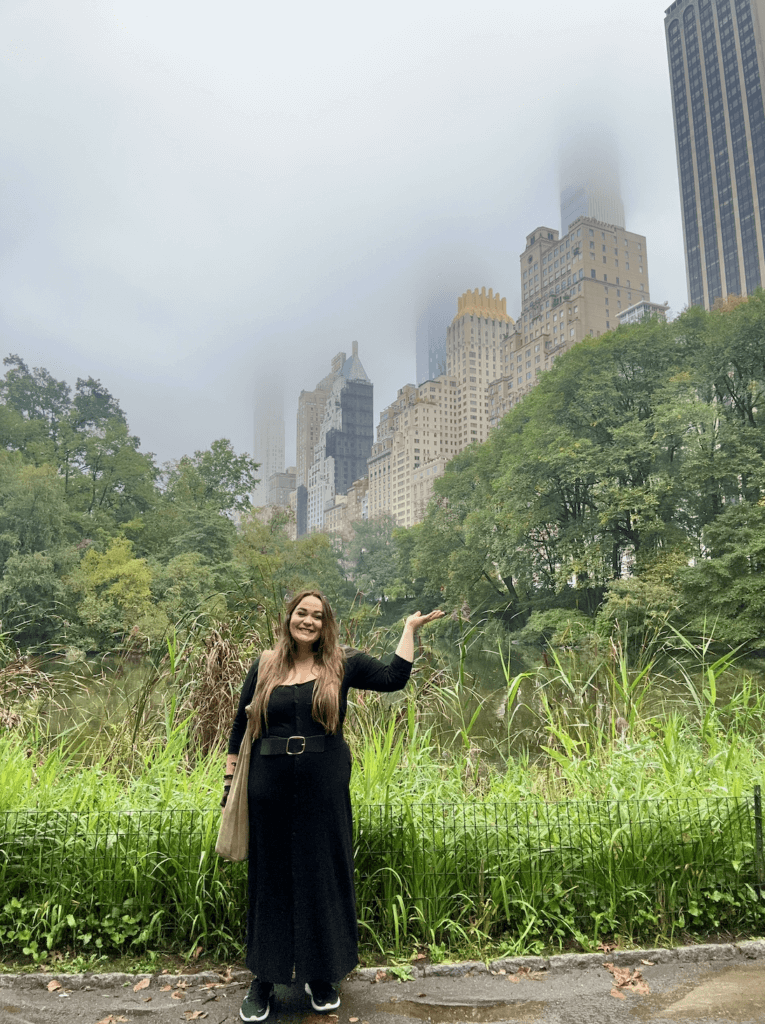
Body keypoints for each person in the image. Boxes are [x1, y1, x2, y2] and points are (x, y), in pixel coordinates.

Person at [223, 590, 444, 1022]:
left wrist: (408, 630)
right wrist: (230, 786)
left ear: (326, 624)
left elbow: (393, 678)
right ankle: (264, 980)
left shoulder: (341, 663)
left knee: (322, 874)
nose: (308, 621)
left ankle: (320, 975)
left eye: (317, 616)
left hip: (323, 787)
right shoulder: (266, 664)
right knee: (270, 880)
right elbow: (239, 724)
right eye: (301, 613)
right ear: (289, 618)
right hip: (267, 788)